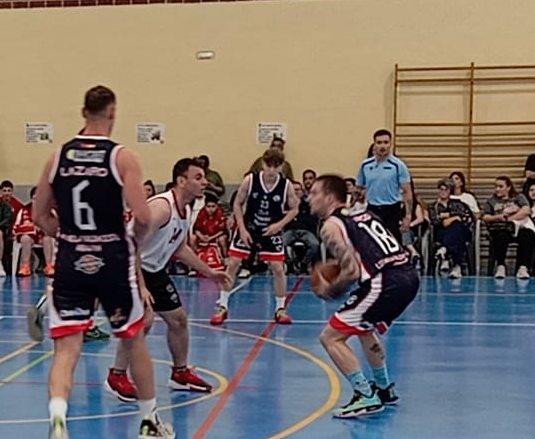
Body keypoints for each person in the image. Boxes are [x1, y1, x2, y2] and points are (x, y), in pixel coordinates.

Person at [34, 85, 169, 439]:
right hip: (111, 256)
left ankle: (58, 421)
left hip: (70, 258)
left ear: (83, 112)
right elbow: (142, 217)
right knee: (133, 337)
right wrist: (132, 241)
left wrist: (67, 234)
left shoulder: (57, 156)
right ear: (112, 113)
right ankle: (148, 421)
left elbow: (39, 215)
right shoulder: (123, 157)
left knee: (66, 350)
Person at [107, 158, 234, 402]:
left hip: (153, 270)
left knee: (178, 320)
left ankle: (180, 373)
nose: (204, 183)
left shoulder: (184, 209)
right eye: (198, 177)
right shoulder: (161, 209)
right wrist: (141, 286)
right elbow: (130, 244)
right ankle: (117, 376)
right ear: (181, 181)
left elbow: (180, 247)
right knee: (144, 321)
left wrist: (210, 272)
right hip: (127, 266)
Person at [309, 173, 420, 418]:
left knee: (330, 337)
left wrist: (330, 288)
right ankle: (384, 388)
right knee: (364, 328)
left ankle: (365, 395)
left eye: (315, 193)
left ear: (330, 197)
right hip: (408, 275)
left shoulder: (330, 226)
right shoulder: (363, 213)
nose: (309, 198)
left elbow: (351, 271)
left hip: (385, 281)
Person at [210, 147, 299, 326]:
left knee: (278, 268)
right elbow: (237, 203)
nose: (271, 170)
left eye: (276, 166)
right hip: (249, 227)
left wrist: (279, 225)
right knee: (233, 264)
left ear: (281, 166)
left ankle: (280, 308)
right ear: (262, 164)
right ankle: (222, 306)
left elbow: (294, 208)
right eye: (268, 165)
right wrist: (241, 229)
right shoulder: (250, 180)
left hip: (270, 230)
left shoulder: (286, 185)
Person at [357, 129, 413, 235]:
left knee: (392, 240)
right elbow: (359, 188)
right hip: (372, 209)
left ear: (390, 144)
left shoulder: (398, 165)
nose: (382, 146)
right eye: (379, 142)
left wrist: (408, 215)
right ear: (374, 145)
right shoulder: (365, 165)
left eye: (386, 142)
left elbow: (407, 192)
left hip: (391, 210)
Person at [481, 175, 533, 279]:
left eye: (501, 186)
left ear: (508, 187)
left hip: (517, 228)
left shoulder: (518, 197)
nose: (497, 189)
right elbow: (485, 217)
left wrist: (510, 218)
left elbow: (526, 210)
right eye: (496, 186)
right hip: (500, 228)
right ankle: (501, 266)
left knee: (528, 235)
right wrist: (498, 217)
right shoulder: (491, 201)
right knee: (501, 235)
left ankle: (523, 267)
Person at [429, 178, 474, 279]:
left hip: (462, 230)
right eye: (441, 189)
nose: (443, 192)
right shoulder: (433, 206)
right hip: (442, 233)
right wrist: (455, 217)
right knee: (457, 233)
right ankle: (457, 266)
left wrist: (447, 216)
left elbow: (467, 217)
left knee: (457, 227)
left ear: (450, 191)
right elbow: (435, 221)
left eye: (446, 189)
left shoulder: (458, 203)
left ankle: (445, 250)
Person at [13, 186, 54, 277]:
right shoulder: (23, 210)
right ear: (31, 199)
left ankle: (49, 266)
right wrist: (30, 227)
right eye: (34, 199)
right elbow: (15, 227)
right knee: (25, 239)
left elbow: (54, 226)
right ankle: (25, 266)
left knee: (47, 239)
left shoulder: (48, 211)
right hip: (28, 236)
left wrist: (43, 227)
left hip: (42, 237)